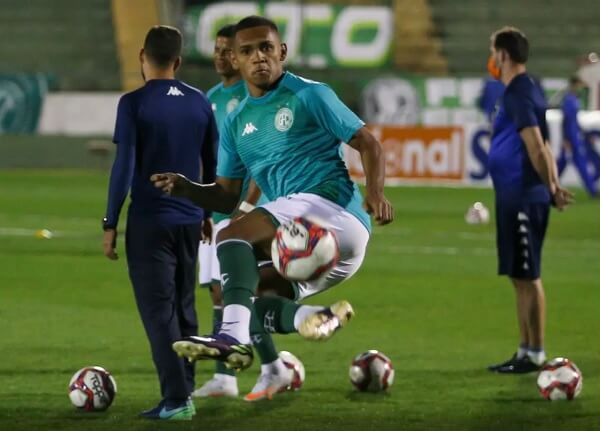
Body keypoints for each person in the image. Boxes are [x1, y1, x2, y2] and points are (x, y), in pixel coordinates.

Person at [151, 15, 393, 397]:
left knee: (230, 236)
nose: (259, 57)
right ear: (235, 59)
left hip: (331, 207)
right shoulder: (236, 122)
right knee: (248, 302)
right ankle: (311, 318)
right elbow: (227, 196)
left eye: (266, 47)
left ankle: (228, 338)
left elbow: (368, 142)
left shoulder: (310, 94)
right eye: (247, 51)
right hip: (329, 249)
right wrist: (188, 189)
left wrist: (376, 192)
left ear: (282, 51)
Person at [102, 25, 217, 419]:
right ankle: (184, 393)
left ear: (142, 57)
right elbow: (212, 166)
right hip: (190, 222)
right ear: (179, 62)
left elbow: (124, 166)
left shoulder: (133, 103)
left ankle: (176, 399)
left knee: (158, 313)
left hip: (151, 221)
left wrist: (109, 221)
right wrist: (205, 213)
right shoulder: (201, 103)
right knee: (185, 309)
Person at [485, 27, 573, 374]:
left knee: (528, 275)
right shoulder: (525, 89)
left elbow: (537, 146)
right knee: (519, 276)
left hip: (522, 195)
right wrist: (551, 183)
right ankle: (524, 351)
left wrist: (551, 187)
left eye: (493, 52)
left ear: (503, 55)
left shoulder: (519, 93)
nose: (491, 59)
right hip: (514, 195)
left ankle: (535, 352)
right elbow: (545, 147)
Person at [193, 24, 264, 399]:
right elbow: (209, 159)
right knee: (219, 292)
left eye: (227, 50)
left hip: (244, 212)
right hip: (217, 210)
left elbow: (259, 159)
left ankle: (268, 367)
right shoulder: (210, 98)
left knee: (241, 292)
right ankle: (230, 376)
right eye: (217, 50)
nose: (221, 56)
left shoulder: (251, 96)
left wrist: (248, 205)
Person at [556, 76, 598, 197]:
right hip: (570, 138)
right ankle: (548, 186)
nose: (581, 87)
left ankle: (592, 190)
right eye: (579, 84)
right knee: (564, 163)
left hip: (574, 137)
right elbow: (566, 121)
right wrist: (565, 138)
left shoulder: (574, 99)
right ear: (574, 84)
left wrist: (584, 133)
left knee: (579, 162)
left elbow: (574, 121)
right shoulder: (568, 100)